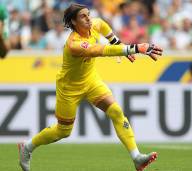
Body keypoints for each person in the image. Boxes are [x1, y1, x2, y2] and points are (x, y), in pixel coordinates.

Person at [17, 3, 162, 171]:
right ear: (73, 22)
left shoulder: (95, 24)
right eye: (83, 16)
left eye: (88, 14)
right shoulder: (74, 44)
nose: (88, 18)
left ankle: (136, 157)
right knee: (63, 131)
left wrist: (116, 41)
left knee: (115, 111)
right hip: (69, 88)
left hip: (91, 81)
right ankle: (27, 148)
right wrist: (134, 48)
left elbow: (103, 26)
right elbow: (100, 50)